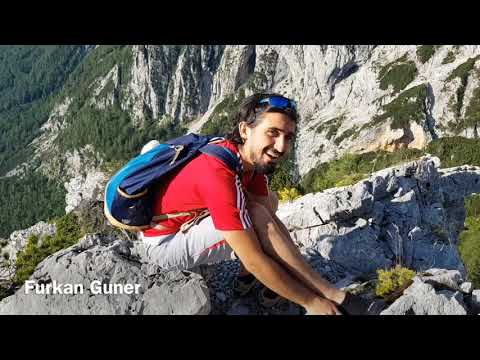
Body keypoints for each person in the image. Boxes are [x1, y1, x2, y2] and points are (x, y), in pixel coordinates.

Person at [140, 93, 370, 315]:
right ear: (244, 130)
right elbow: (254, 256)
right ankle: (330, 294)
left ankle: (250, 278)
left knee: (270, 201)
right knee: (253, 214)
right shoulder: (218, 173)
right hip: (164, 246)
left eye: (288, 137)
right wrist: (312, 301)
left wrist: (286, 268)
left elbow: (272, 223)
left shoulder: (247, 159)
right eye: (273, 133)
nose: (281, 146)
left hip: (186, 224)